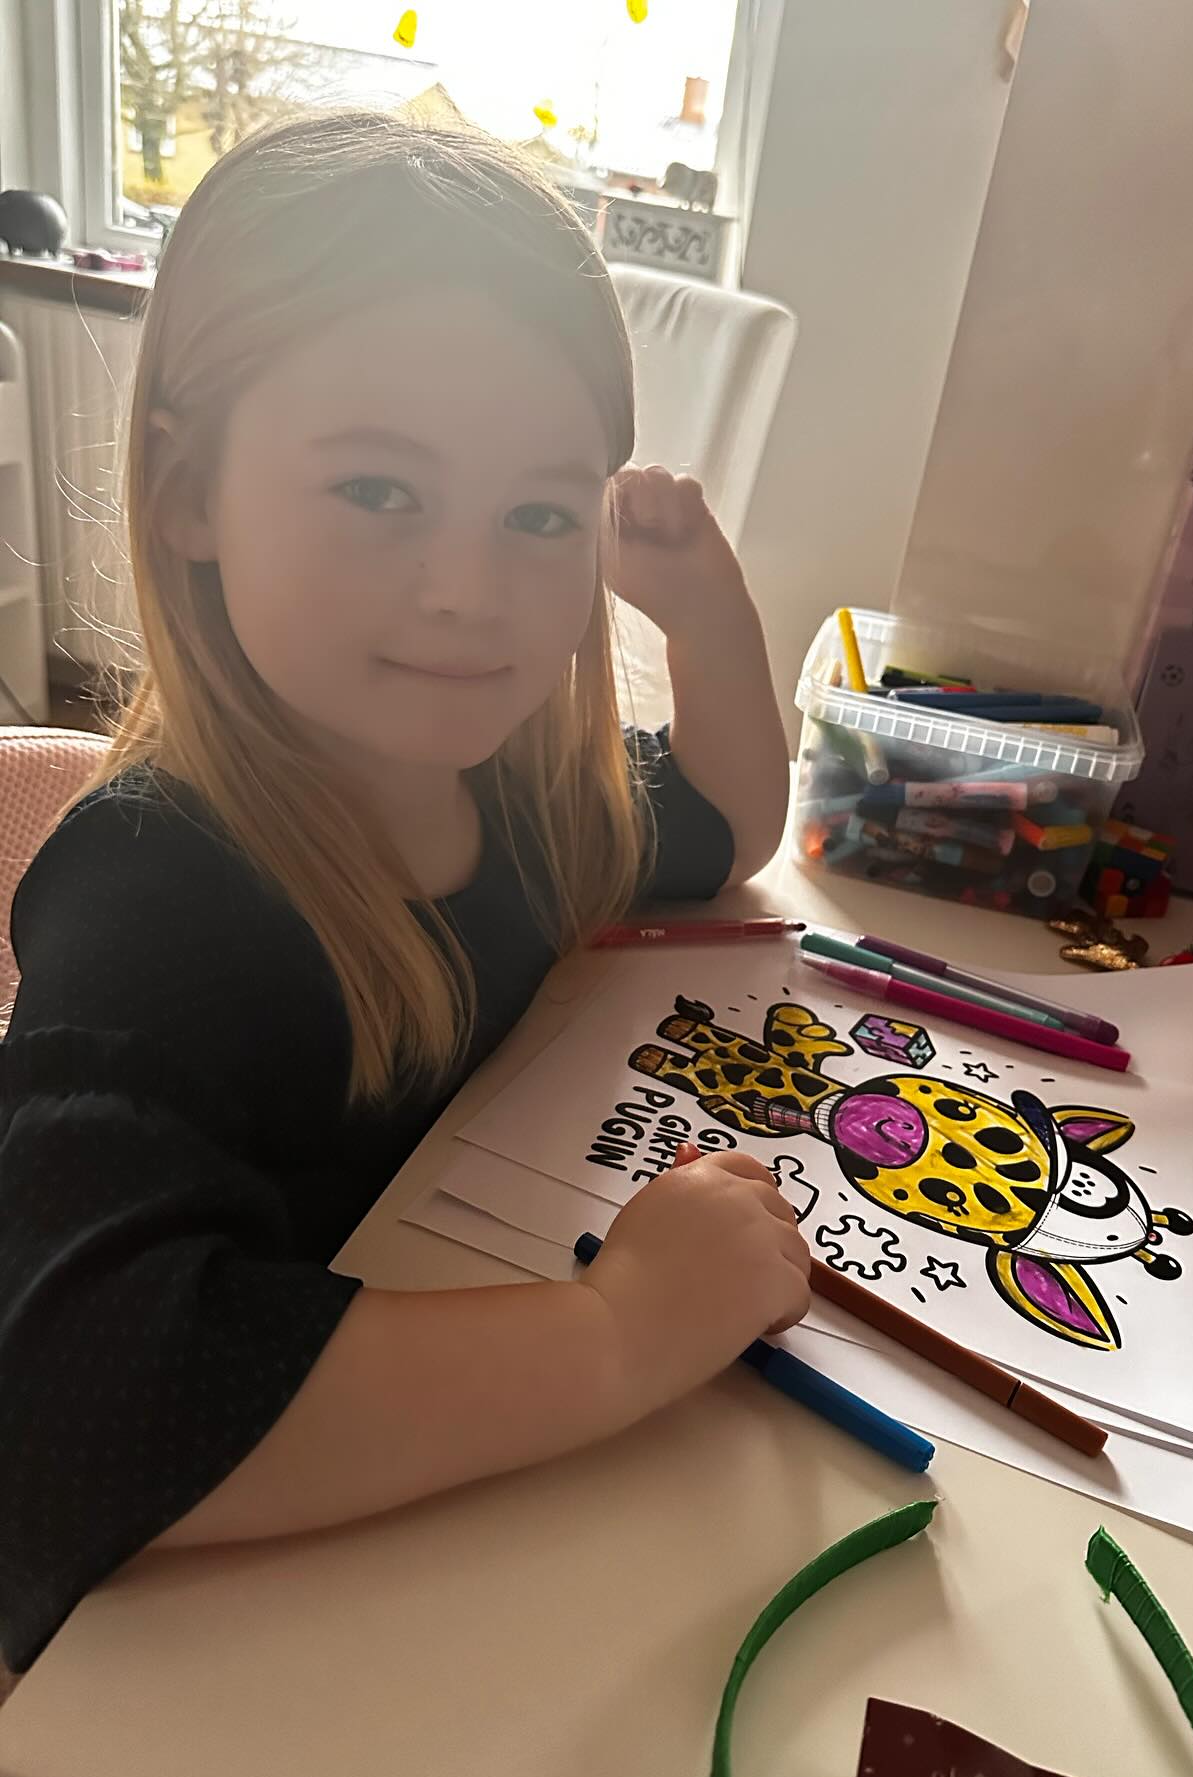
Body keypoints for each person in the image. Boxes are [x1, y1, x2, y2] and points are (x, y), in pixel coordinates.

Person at [0, 111, 805, 1674]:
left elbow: (725, 824)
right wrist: (621, 1332)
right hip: (218, 1656)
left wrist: (708, 615)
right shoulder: (157, 901)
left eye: (539, 516)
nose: (468, 590)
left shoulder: (511, 794)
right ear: (186, 491)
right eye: (379, 490)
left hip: (463, 1542)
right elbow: (64, 1417)